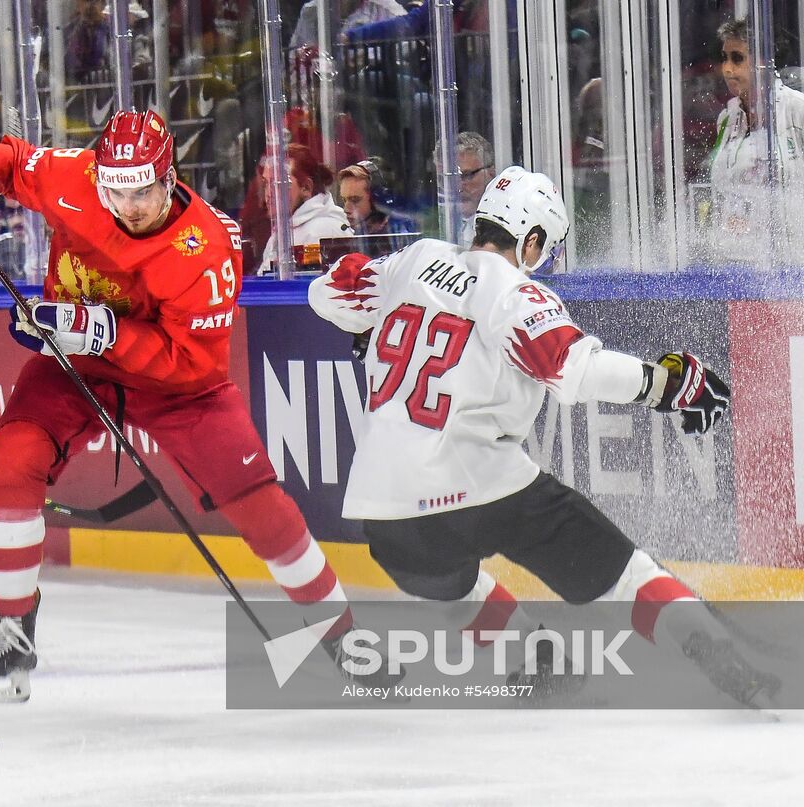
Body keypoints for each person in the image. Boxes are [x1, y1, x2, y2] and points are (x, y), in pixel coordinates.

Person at [0, 109, 358, 703]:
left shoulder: (206, 246)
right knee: (12, 463)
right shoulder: (78, 178)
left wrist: (93, 328)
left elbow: (192, 362)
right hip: (79, 371)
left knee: (260, 507)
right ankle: (12, 628)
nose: (129, 205)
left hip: (179, 388)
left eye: (143, 190)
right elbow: (16, 164)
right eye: (116, 190)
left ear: (169, 177)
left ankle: (341, 632)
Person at [308, 166, 779, 707]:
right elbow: (575, 369)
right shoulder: (514, 292)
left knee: (455, 590)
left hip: (385, 517)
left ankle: (535, 660)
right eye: (544, 249)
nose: (543, 263)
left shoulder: (414, 259)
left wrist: (370, 327)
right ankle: (717, 653)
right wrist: (669, 386)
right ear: (530, 240)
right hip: (478, 482)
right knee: (626, 578)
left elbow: (329, 291)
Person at [709, 18, 804, 266]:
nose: (727, 69)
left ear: (764, 63)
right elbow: (725, 191)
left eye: (737, 58)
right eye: (724, 58)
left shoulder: (801, 110)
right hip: (743, 260)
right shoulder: (727, 119)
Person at [257, 143, 352, 275]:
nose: (269, 193)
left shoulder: (322, 231)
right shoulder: (285, 230)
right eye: (266, 183)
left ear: (306, 187)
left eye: (278, 183)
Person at [336, 158, 416, 237]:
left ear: (379, 199)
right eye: (344, 200)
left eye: (355, 200)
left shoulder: (403, 237)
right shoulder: (358, 235)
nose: (346, 210)